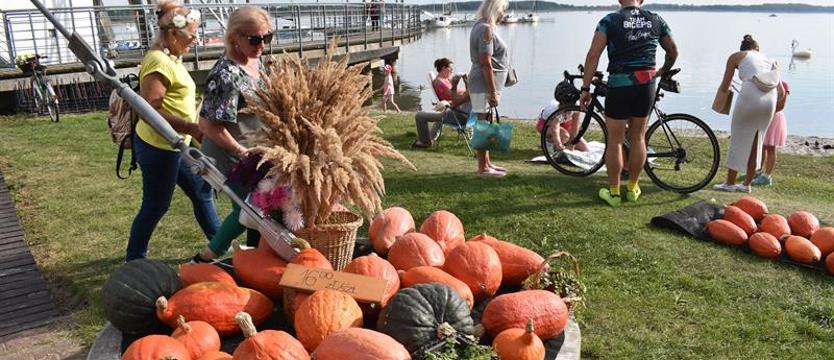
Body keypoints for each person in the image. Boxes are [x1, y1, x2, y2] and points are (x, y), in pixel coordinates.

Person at [127, 1, 220, 261]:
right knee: (156, 204)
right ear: (173, 33)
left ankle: (220, 244)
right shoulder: (158, 61)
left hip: (178, 144)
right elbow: (150, 110)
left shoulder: (172, 58)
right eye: (191, 34)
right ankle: (134, 260)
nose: (196, 39)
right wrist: (191, 126)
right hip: (160, 146)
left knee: (202, 191)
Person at [192, 5, 273, 263]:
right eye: (255, 39)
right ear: (235, 37)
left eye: (266, 37)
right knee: (248, 211)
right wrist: (240, 152)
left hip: (254, 151)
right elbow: (207, 125)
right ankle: (205, 259)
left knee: (262, 208)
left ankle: (254, 258)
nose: (262, 44)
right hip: (230, 152)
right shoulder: (225, 74)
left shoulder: (254, 61)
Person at [579, 0, 677, 206]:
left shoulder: (609, 20)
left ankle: (614, 193)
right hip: (646, 84)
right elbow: (673, 51)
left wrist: (586, 88)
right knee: (638, 137)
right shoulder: (656, 19)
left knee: (615, 140)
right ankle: (633, 188)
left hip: (619, 84)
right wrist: (663, 70)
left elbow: (593, 55)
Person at [713, 35, 785, 193]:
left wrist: (719, 104)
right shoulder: (771, 61)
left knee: (739, 139)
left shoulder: (737, 56)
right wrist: (775, 109)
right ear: (757, 49)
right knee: (758, 141)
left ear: (744, 49)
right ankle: (746, 184)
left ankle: (730, 183)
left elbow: (725, 85)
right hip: (770, 100)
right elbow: (782, 92)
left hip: (749, 96)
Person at [468, 0, 511, 177]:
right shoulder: (485, 28)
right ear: (495, 10)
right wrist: (493, 91)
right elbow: (486, 62)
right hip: (483, 84)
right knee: (483, 124)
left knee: (485, 122)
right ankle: (482, 167)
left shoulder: (480, 26)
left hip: (482, 83)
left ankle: (487, 163)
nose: (503, 15)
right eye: (502, 11)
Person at [412, 58, 471, 148]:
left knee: (419, 116)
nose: (452, 70)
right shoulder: (440, 81)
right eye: (450, 68)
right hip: (462, 113)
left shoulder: (463, 94)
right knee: (439, 117)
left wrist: (457, 87)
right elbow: (451, 93)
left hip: (455, 112)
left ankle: (425, 142)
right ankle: (431, 138)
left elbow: (454, 99)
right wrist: (464, 86)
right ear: (443, 68)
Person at [753, 79, 790, 186]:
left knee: (771, 147)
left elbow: (781, 105)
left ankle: (767, 176)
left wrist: (767, 112)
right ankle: (758, 171)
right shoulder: (764, 83)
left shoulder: (784, 85)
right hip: (764, 116)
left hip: (774, 118)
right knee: (762, 146)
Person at [537, 81, 587, 152]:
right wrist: (558, 144)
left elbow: (575, 127)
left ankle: (563, 143)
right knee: (564, 136)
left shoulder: (576, 105)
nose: (569, 108)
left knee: (584, 148)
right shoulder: (553, 109)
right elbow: (555, 127)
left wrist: (572, 144)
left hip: (564, 124)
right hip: (546, 125)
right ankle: (549, 142)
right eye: (566, 105)